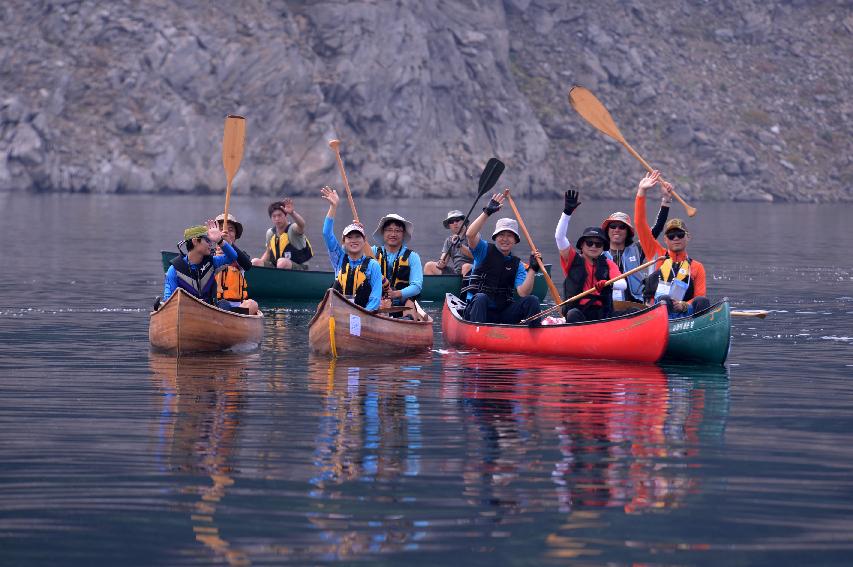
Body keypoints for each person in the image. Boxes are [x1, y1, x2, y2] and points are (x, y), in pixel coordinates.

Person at [634, 171, 710, 318]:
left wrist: (684, 305)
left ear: (688, 238)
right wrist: (642, 192)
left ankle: (697, 331)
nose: (676, 238)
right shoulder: (655, 254)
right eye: (671, 235)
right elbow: (640, 223)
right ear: (665, 240)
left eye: (680, 235)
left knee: (702, 301)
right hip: (658, 314)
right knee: (664, 300)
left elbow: (699, 295)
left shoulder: (697, 267)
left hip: (684, 314)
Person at [461, 192, 542, 326]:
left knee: (532, 300)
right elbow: (470, 234)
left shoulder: (518, 265)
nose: (505, 239)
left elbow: (523, 292)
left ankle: (534, 337)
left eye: (510, 236)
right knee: (481, 298)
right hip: (477, 311)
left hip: (502, 313)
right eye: (501, 235)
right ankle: (478, 334)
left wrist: (533, 269)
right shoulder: (483, 250)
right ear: (495, 237)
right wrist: (487, 212)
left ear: (515, 241)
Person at [554, 190, 624, 322]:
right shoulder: (571, 259)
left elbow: (622, 284)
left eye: (598, 244)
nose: (593, 247)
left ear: (603, 248)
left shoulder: (608, 264)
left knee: (633, 312)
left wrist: (607, 283)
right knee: (573, 314)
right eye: (589, 243)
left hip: (602, 316)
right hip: (578, 314)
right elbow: (559, 237)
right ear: (582, 246)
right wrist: (567, 213)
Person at [600, 183, 672, 302]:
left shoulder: (638, 249)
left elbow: (657, 227)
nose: (617, 230)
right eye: (613, 226)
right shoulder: (598, 252)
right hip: (606, 304)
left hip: (636, 303)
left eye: (622, 227)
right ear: (607, 230)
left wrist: (666, 201)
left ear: (628, 231)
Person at [320, 186, 383, 311]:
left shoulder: (373, 265)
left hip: (364, 312)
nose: (354, 240)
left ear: (364, 241)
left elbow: (375, 298)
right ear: (344, 241)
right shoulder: (339, 258)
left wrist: (362, 314)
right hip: (339, 312)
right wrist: (333, 207)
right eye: (349, 237)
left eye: (357, 237)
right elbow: (327, 233)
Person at [161, 220, 238, 307]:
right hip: (185, 311)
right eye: (208, 240)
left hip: (210, 311)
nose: (211, 244)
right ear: (195, 241)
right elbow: (168, 299)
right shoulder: (174, 270)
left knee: (225, 305)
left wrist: (220, 240)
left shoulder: (212, 262)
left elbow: (233, 257)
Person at [371, 213, 423, 310]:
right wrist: (359, 232)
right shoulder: (372, 252)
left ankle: (408, 319)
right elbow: (349, 251)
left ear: (403, 234)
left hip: (403, 301)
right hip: (378, 300)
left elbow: (417, 287)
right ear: (383, 232)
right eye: (389, 230)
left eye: (398, 231)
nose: (393, 234)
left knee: (410, 303)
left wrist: (396, 293)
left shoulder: (413, 257)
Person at [214, 213, 259, 315]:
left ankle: (233, 322)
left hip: (236, 309)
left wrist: (228, 244)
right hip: (213, 305)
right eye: (221, 229)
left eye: (230, 230)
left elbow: (247, 265)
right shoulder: (208, 255)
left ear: (235, 235)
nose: (226, 233)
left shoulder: (241, 256)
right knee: (222, 304)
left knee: (252, 304)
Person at [251, 199, 313, 270]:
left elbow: (302, 225)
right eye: (274, 216)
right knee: (254, 262)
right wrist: (257, 267)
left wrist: (292, 213)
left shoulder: (293, 229)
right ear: (271, 218)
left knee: (282, 262)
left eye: (280, 215)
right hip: (278, 267)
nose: (277, 218)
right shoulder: (270, 233)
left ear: (285, 215)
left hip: (299, 268)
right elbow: (268, 253)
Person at [423, 210, 473, 276]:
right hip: (457, 273)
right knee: (429, 266)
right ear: (449, 225)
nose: (455, 223)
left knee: (466, 267)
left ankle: (463, 285)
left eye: (457, 220)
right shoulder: (449, 240)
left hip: (472, 270)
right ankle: (438, 285)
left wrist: (459, 245)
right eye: (451, 221)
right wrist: (441, 263)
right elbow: (443, 259)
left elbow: (475, 255)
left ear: (464, 221)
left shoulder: (471, 236)